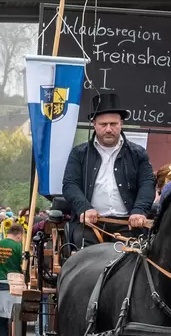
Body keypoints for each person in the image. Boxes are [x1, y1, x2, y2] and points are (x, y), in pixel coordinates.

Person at [62, 93, 156, 247]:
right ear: (94, 124)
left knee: (133, 261)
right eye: (103, 124)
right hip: (90, 226)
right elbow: (69, 184)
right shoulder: (79, 153)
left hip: (128, 225)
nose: (108, 129)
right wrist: (84, 208)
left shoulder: (138, 153)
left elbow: (147, 183)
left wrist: (139, 210)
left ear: (121, 123)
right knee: (86, 257)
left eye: (113, 124)